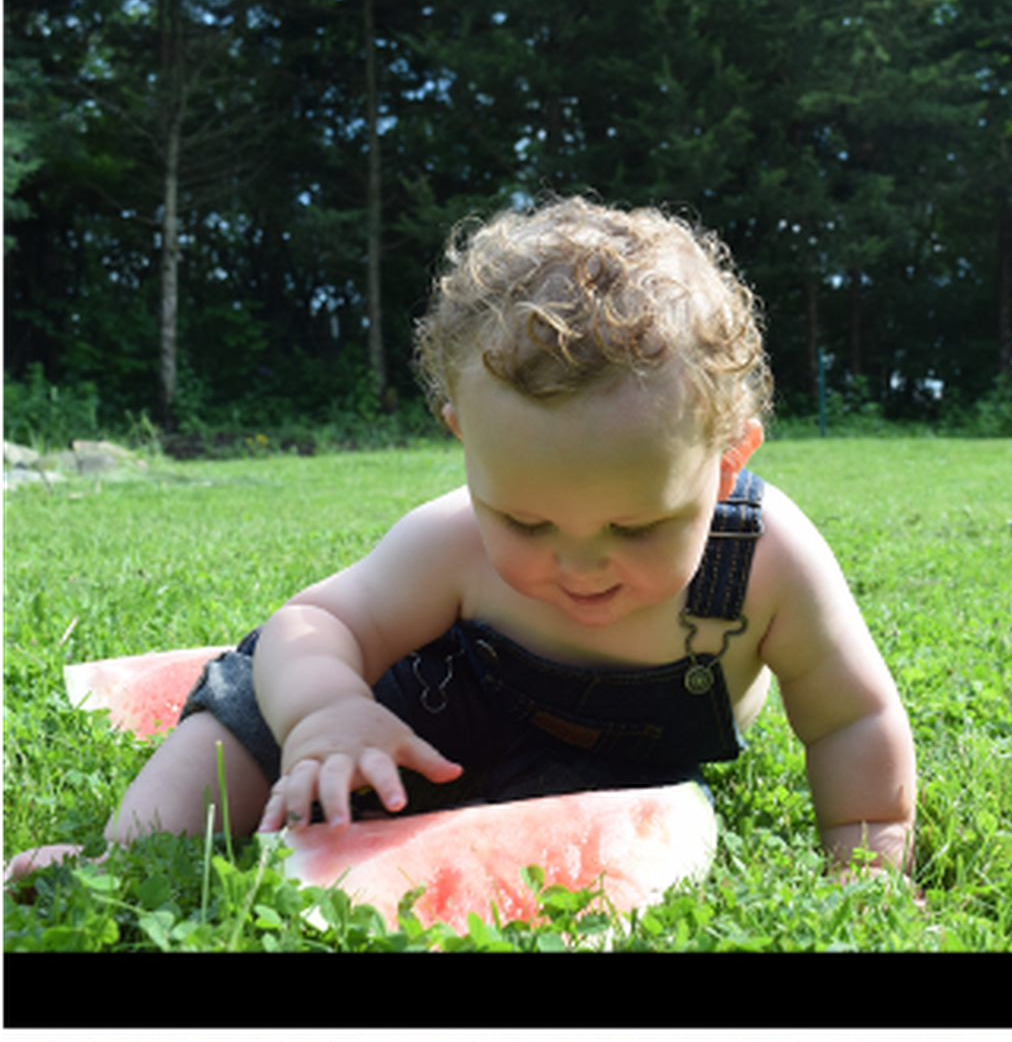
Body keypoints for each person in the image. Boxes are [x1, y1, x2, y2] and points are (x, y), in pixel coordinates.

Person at [7, 197, 916, 885]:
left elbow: (851, 716)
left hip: (604, 772)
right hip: (431, 712)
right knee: (246, 718)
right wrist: (325, 711)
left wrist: (866, 866)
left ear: (724, 468)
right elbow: (317, 619)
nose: (578, 560)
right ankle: (111, 864)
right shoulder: (451, 543)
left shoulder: (767, 563)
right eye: (524, 519)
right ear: (463, 441)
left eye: (636, 525)